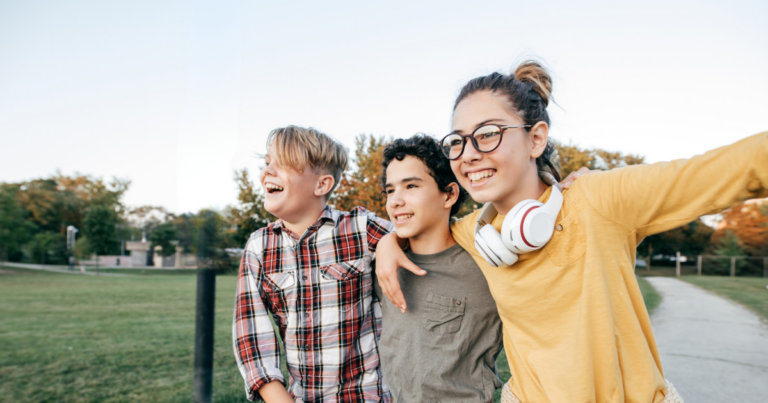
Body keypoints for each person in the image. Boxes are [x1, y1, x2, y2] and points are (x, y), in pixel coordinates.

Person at [377, 60, 767, 403]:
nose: (469, 154)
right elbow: (418, 222)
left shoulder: (602, 198)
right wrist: (389, 243)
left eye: (488, 134)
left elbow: (737, 167)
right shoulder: (477, 234)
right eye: (458, 141)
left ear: (536, 138)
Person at [232, 126, 393, 402]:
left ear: (322, 185)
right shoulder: (259, 247)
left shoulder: (361, 228)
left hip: (370, 396)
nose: (267, 171)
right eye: (267, 162)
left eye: (281, 164)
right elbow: (251, 337)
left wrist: (392, 244)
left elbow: (420, 237)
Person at [374, 134, 503, 402]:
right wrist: (388, 242)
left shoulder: (486, 261)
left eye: (411, 186)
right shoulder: (385, 266)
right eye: (390, 190)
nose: (395, 200)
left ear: (449, 194)